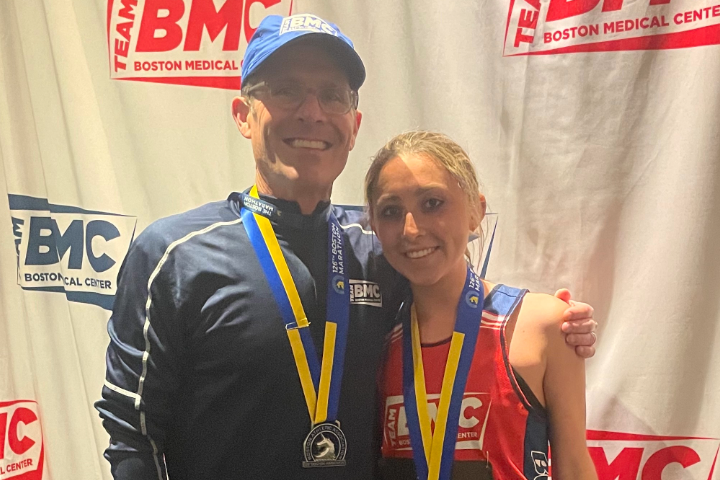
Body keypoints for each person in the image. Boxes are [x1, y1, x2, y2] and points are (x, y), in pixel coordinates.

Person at [95, 13, 598, 480]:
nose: (311, 112)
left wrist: (558, 324)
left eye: (332, 95)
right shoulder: (174, 255)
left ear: (354, 126)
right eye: (286, 91)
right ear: (243, 115)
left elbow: (457, 298)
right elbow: (131, 433)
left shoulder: (378, 250)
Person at [366, 131, 598, 480]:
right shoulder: (375, 338)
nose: (411, 229)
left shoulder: (542, 324)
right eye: (391, 211)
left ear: (476, 211)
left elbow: (575, 468)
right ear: (374, 225)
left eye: (432, 203)